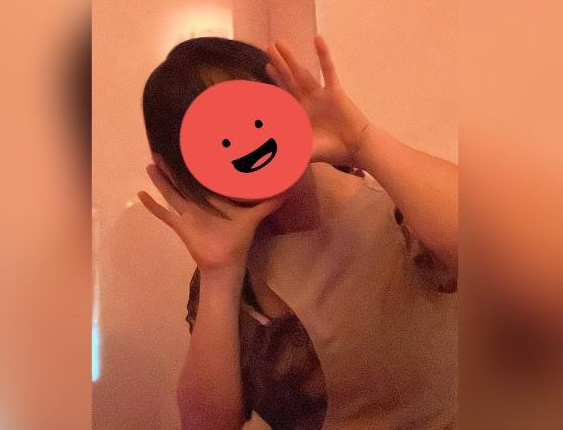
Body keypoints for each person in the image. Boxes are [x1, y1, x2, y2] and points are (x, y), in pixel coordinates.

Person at [139, 35, 458, 430]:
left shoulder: (401, 206)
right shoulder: (228, 272)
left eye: (254, 116)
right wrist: (219, 274)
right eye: (216, 138)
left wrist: (362, 141)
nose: (244, 141)